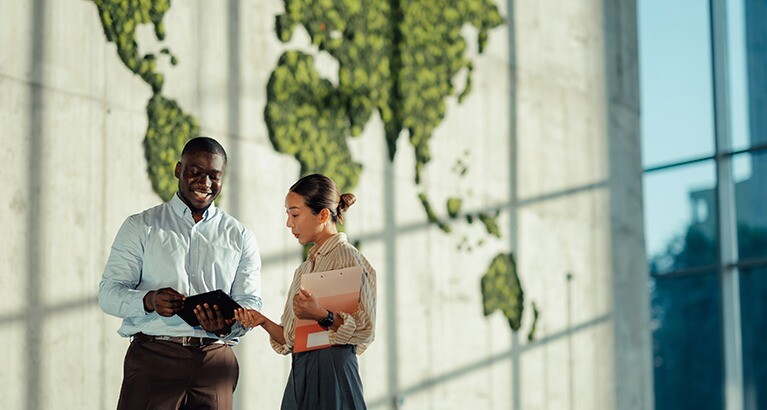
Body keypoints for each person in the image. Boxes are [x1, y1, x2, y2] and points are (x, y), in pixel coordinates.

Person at [98, 136, 262, 410]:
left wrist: (225, 325)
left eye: (214, 176)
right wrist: (149, 301)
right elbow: (108, 294)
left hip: (215, 361)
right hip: (153, 358)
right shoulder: (141, 226)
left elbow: (251, 302)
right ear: (178, 170)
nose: (205, 183)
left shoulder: (240, 236)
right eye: (196, 172)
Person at [235, 173, 376, 409]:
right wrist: (262, 321)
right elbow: (292, 340)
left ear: (322, 215)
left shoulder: (348, 257)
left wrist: (323, 315)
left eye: (295, 214)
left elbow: (365, 331)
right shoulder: (303, 270)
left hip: (334, 375)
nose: (289, 223)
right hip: (302, 373)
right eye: (288, 215)